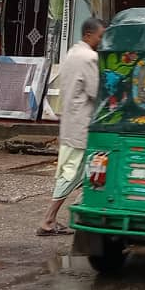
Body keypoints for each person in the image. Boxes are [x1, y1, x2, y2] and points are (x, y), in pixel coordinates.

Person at [38, 18, 105, 236]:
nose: (102, 40)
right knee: (74, 174)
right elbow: (97, 92)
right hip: (82, 125)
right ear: (88, 35)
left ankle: (76, 216)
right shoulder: (89, 58)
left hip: (70, 122)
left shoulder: (72, 53)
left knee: (82, 173)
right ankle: (48, 220)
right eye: (100, 36)